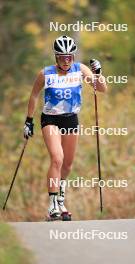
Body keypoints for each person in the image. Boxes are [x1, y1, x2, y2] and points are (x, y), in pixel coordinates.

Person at [23, 35, 107, 220]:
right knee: (57, 159)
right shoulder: (46, 73)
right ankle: (52, 205)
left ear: (74, 57)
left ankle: (61, 198)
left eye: (69, 56)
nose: (66, 60)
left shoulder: (80, 69)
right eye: (62, 57)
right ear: (56, 57)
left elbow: (101, 89)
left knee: (67, 165)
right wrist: (29, 120)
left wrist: (99, 74)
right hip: (50, 120)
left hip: (70, 120)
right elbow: (34, 96)